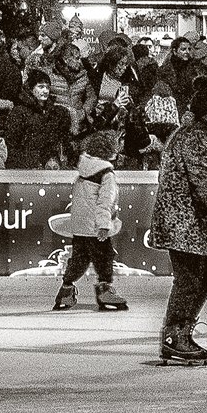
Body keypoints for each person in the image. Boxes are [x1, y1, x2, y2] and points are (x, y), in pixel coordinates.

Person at [147, 79, 207, 365]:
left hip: (196, 220)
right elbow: (204, 181)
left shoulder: (201, 136)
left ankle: (182, 330)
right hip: (183, 220)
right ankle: (174, 336)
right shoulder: (194, 137)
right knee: (189, 279)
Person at [51, 129, 130, 313]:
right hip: (95, 226)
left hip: (80, 226)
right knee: (104, 257)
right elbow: (105, 202)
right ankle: (105, 290)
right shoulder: (106, 174)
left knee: (79, 259)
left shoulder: (83, 169)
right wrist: (103, 225)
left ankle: (66, 290)